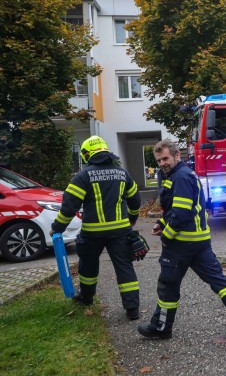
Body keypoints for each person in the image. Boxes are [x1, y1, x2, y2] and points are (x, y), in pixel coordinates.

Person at [138, 139, 226, 339]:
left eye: (165, 158)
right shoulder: (183, 175)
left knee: (168, 286)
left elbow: (181, 213)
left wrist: (166, 236)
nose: (162, 163)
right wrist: (163, 223)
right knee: (219, 281)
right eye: (158, 160)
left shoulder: (179, 177)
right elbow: (180, 209)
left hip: (181, 243)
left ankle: (161, 328)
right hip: (200, 241)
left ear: (176, 155)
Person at [50, 135, 142, 320]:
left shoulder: (82, 176)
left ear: (87, 155)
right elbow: (135, 200)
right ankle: (132, 309)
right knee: (124, 267)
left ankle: (86, 298)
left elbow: (69, 206)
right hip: (121, 231)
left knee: (88, 267)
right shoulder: (122, 173)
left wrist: (57, 227)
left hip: (93, 233)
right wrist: (132, 219)